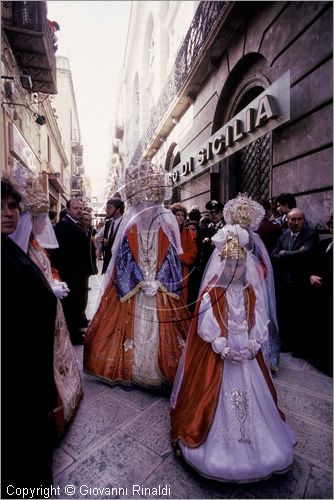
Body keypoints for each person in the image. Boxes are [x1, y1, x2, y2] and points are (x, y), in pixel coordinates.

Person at [170, 223, 297, 483]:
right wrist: (222, 347)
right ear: (221, 265)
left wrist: (252, 346)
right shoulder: (211, 292)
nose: (233, 269)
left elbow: (260, 321)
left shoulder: (252, 291)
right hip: (222, 351)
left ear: (245, 266)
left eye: (238, 265)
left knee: (256, 396)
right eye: (228, 264)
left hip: (247, 351)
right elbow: (207, 326)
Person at [84, 161, 191, 390]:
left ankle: (161, 370)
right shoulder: (129, 223)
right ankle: (133, 370)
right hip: (135, 288)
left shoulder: (168, 219)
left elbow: (173, 257)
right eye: (142, 202)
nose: (146, 208)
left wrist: (159, 281)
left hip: (160, 288)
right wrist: (139, 281)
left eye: (150, 202)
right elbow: (122, 258)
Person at [9, 165, 83, 436]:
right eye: (39, 218)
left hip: (50, 312)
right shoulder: (15, 250)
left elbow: (43, 271)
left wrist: (53, 282)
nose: (44, 224)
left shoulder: (33, 245)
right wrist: (48, 290)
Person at [1, 177, 58, 496]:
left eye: (12, 206)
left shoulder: (9, 247)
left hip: (27, 377)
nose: (9, 213)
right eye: (1, 206)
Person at [271, 208, 318, 357]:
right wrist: (293, 254)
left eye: (299, 219)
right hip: (284, 281)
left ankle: (298, 347)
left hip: (300, 281)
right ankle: (285, 343)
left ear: (304, 220)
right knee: (285, 314)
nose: (296, 222)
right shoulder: (284, 234)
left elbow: (305, 254)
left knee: (299, 316)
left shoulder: (310, 235)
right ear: (287, 220)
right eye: (293, 219)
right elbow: (273, 254)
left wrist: (284, 254)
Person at [52, 198, 97, 345]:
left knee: (78, 303)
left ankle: (77, 328)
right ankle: (74, 335)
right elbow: (60, 253)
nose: (79, 210)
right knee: (72, 305)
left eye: (81, 208)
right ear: (68, 209)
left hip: (79, 273)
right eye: (76, 208)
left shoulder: (77, 224)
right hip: (71, 274)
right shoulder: (63, 226)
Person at [308, 213, 333, 375]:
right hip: (321, 294)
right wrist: (311, 276)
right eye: (332, 224)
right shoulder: (325, 243)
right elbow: (311, 263)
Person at [170, 203, 198, 306]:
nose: (180, 217)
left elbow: (193, 252)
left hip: (182, 269)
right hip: (167, 270)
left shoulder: (189, 233)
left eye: (182, 215)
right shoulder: (165, 231)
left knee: (181, 297)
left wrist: (180, 257)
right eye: (178, 214)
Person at [101, 197, 124, 274]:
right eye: (106, 208)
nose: (106, 210)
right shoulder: (108, 223)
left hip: (120, 264)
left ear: (118, 209)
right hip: (108, 263)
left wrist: (109, 242)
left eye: (109, 207)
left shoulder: (125, 223)